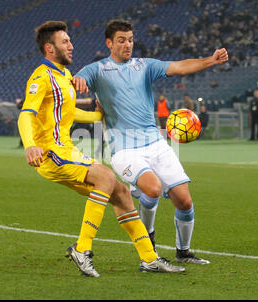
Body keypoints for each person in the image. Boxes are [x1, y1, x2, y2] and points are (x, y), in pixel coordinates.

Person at [17, 20, 184, 277]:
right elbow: (26, 114)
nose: (72, 46)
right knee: (105, 177)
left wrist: (97, 116)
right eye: (65, 42)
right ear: (49, 48)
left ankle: (149, 259)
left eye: (70, 40)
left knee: (121, 193)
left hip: (67, 149)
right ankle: (82, 249)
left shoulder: (63, 76)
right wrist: (30, 146)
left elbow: (70, 114)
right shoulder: (42, 76)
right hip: (51, 153)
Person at [74, 19, 228, 264]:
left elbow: (179, 67)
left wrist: (211, 60)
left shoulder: (144, 66)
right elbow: (76, 79)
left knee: (185, 200)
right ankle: (148, 244)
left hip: (155, 143)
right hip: (124, 149)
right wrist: (78, 81)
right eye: (122, 40)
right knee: (153, 188)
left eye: (131, 40)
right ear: (109, 43)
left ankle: (183, 252)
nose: (128, 45)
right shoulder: (97, 69)